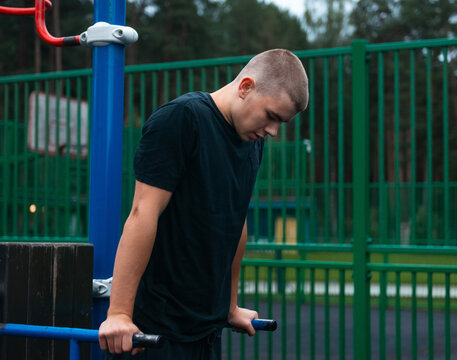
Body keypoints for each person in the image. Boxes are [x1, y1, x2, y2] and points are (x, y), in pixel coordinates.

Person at [98, 48, 309, 359]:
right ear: (245, 87)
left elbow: (236, 222)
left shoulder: (252, 143)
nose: (273, 131)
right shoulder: (182, 119)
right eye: (271, 116)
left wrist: (230, 305)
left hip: (206, 327)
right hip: (157, 329)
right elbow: (143, 213)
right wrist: (119, 314)